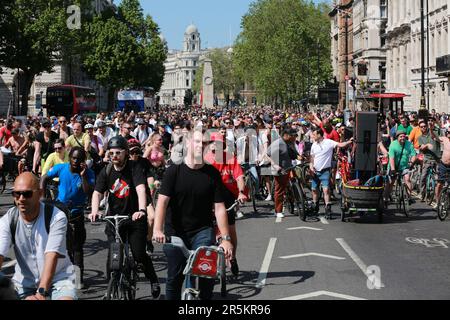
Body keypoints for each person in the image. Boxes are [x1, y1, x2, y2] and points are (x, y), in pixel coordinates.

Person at [153, 130, 233, 300]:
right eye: (197, 141)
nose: (200, 146)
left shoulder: (212, 174)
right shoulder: (174, 171)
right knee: (174, 278)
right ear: (188, 143)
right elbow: (162, 202)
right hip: (175, 232)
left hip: (202, 231)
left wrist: (225, 238)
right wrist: (157, 230)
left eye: (204, 143)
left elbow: (219, 208)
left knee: (206, 275)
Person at [89, 136, 161, 299]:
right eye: (111, 153)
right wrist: (94, 210)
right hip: (114, 220)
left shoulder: (134, 167)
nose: (114, 156)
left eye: (118, 153)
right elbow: (97, 193)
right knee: (113, 256)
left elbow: (141, 189)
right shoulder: (106, 170)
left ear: (126, 153)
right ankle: (112, 286)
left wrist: (142, 210)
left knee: (139, 255)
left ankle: (153, 279)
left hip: (134, 218)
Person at [0, 173, 76, 300]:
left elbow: (52, 255)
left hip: (59, 280)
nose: (21, 198)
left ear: (40, 193)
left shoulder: (56, 217)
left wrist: (41, 293)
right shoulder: (8, 219)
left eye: (27, 194)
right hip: (23, 283)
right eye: (17, 194)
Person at [41, 147, 95, 288]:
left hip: (76, 214)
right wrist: (42, 197)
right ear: (69, 157)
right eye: (74, 158)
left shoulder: (89, 173)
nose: (76, 161)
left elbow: (89, 192)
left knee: (77, 247)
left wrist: (83, 175)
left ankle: (78, 278)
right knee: (57, 245)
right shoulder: (61, 168)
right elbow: (44, 178)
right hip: (59, 212)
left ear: (84, 161)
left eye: (79, 159)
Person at [204, 133, 248, 276]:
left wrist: (241, 192)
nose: (215, 147)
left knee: (230, 230)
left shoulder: (230, 158)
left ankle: (233, 257)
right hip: (209, 197)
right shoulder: (205, 159)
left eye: (218, 144)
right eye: (213, 144)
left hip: (227, 196)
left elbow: (239, 177)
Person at [309, 128, 353, 218]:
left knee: (326, 190)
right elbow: (312, 157)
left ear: (319, 135)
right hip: (315, 171)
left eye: (314, 134)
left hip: (325, 171)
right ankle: (315, 206)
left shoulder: (329, 142)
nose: (312, 136)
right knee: (314, 190)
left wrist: (349, 141)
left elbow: (341, 145)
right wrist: (310, 166)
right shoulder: (313, 145)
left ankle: (327, 209)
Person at [265, 128, 301, 219]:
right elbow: (267, 155)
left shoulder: (291, 143)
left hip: (289, 168)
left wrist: (303, 158)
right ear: (286, 135)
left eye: (295, 136)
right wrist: (274, 164)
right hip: (279, 169)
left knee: (295, 184)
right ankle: (278, 211)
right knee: (280, 190)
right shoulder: (278, 143)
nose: (295, 138)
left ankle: (295, 203)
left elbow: (295, 154)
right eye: (293, 136)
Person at [387, 130, 417, 204]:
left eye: (404, 136)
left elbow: (414, 155)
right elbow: (392, 158)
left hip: (404, 166)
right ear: (397, 137)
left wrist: (411, 163)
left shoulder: (409, 144)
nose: (402, 138)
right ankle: (385, 198)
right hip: (394, 166)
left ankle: (409, 197)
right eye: (401, 136)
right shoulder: (393, 145)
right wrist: (393, 170)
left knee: (407, 179)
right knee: (391, 182)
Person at [417, 121, 440, 201]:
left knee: (438, 179)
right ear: (419, 128)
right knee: (423, 177)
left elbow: (435, 137)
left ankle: (438, 198)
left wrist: (431, 129)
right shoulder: (420, 138)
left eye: (424, 126)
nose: (423, 128)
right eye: (421, 127)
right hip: (427, 159)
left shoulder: (434, 133)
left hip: (437, 159)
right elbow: (421, 147)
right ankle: (422, 194)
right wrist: (426, 146)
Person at [434, 127, 450, 208]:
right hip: (443, 164)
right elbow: (435, 137)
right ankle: (437, 202)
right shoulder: (445, 139)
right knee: (440, 183)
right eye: (448, 132)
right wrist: (430, 129)